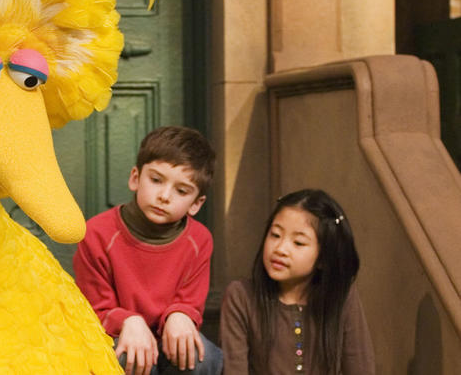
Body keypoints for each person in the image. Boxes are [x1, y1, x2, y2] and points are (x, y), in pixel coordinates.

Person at [73, 126, 223, 375]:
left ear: (196, 204)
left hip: (169, 341)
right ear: (135, 178)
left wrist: (180, 314)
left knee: (200, 358)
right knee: (124, 360)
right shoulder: (96, 233)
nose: (164, 196)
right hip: (116, 337)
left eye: (181, 191)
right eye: (156, 180)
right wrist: (128, 321)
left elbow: (190, 302)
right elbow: (94, 309)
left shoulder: (200, 240)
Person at [220, 189, 375, 374]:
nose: (280, 249)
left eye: (298, 243)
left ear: (324, 258)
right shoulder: (241, 296)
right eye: (275, 235)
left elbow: (360, 367)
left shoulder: (342, 296)